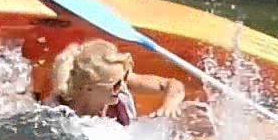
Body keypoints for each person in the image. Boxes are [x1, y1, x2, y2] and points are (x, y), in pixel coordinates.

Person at [41, 39, 192, 125]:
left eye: (125, 78)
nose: (122, 87)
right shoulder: (58, 111)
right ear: (88, 88)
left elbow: (173, 85)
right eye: (115, 85)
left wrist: (170, 103)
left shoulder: (122, 83)